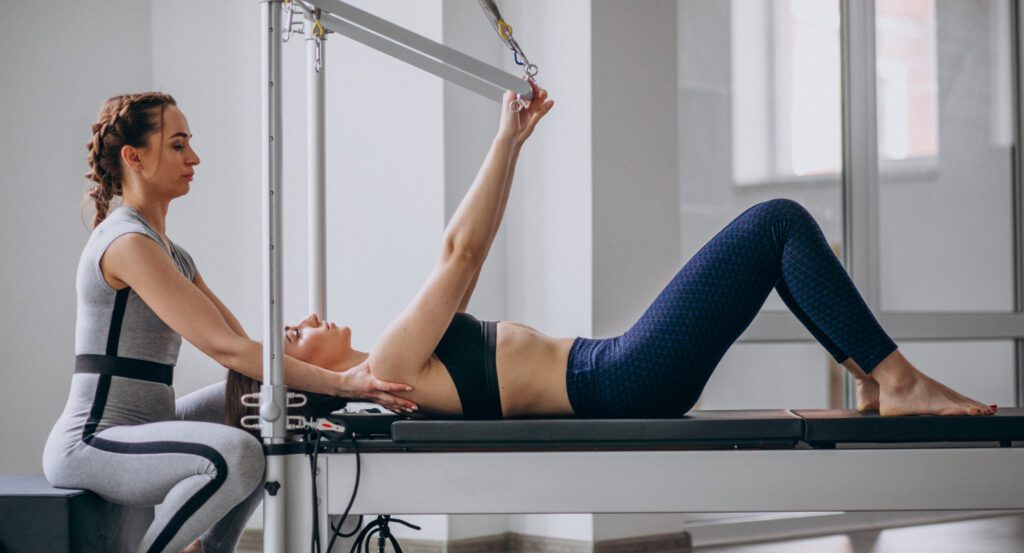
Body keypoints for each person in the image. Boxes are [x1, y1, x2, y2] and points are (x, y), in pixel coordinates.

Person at [229, 80, 997, 424]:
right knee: (777, 222)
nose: (309, 319)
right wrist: (503, 138)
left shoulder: (396, 365)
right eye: (296, 335)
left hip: (616, 370)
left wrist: (514, 146)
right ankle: (895, 379)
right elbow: (455, 256)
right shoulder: (387, 372)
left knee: (775, 235)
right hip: (621, 378)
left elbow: (471, 246)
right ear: (316, 376)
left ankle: (872, 378)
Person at [43, 92, 418, 553]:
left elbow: (245, 346)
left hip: (144, 426)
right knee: (238, 452)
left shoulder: (171, 252)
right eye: (178, 144)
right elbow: (227, 350)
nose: (193, 157)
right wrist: (346, 380)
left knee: (256, 413)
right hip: (94, 441)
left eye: (190, 143)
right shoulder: (126, 243)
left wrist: (319, 357)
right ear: (135, 158)